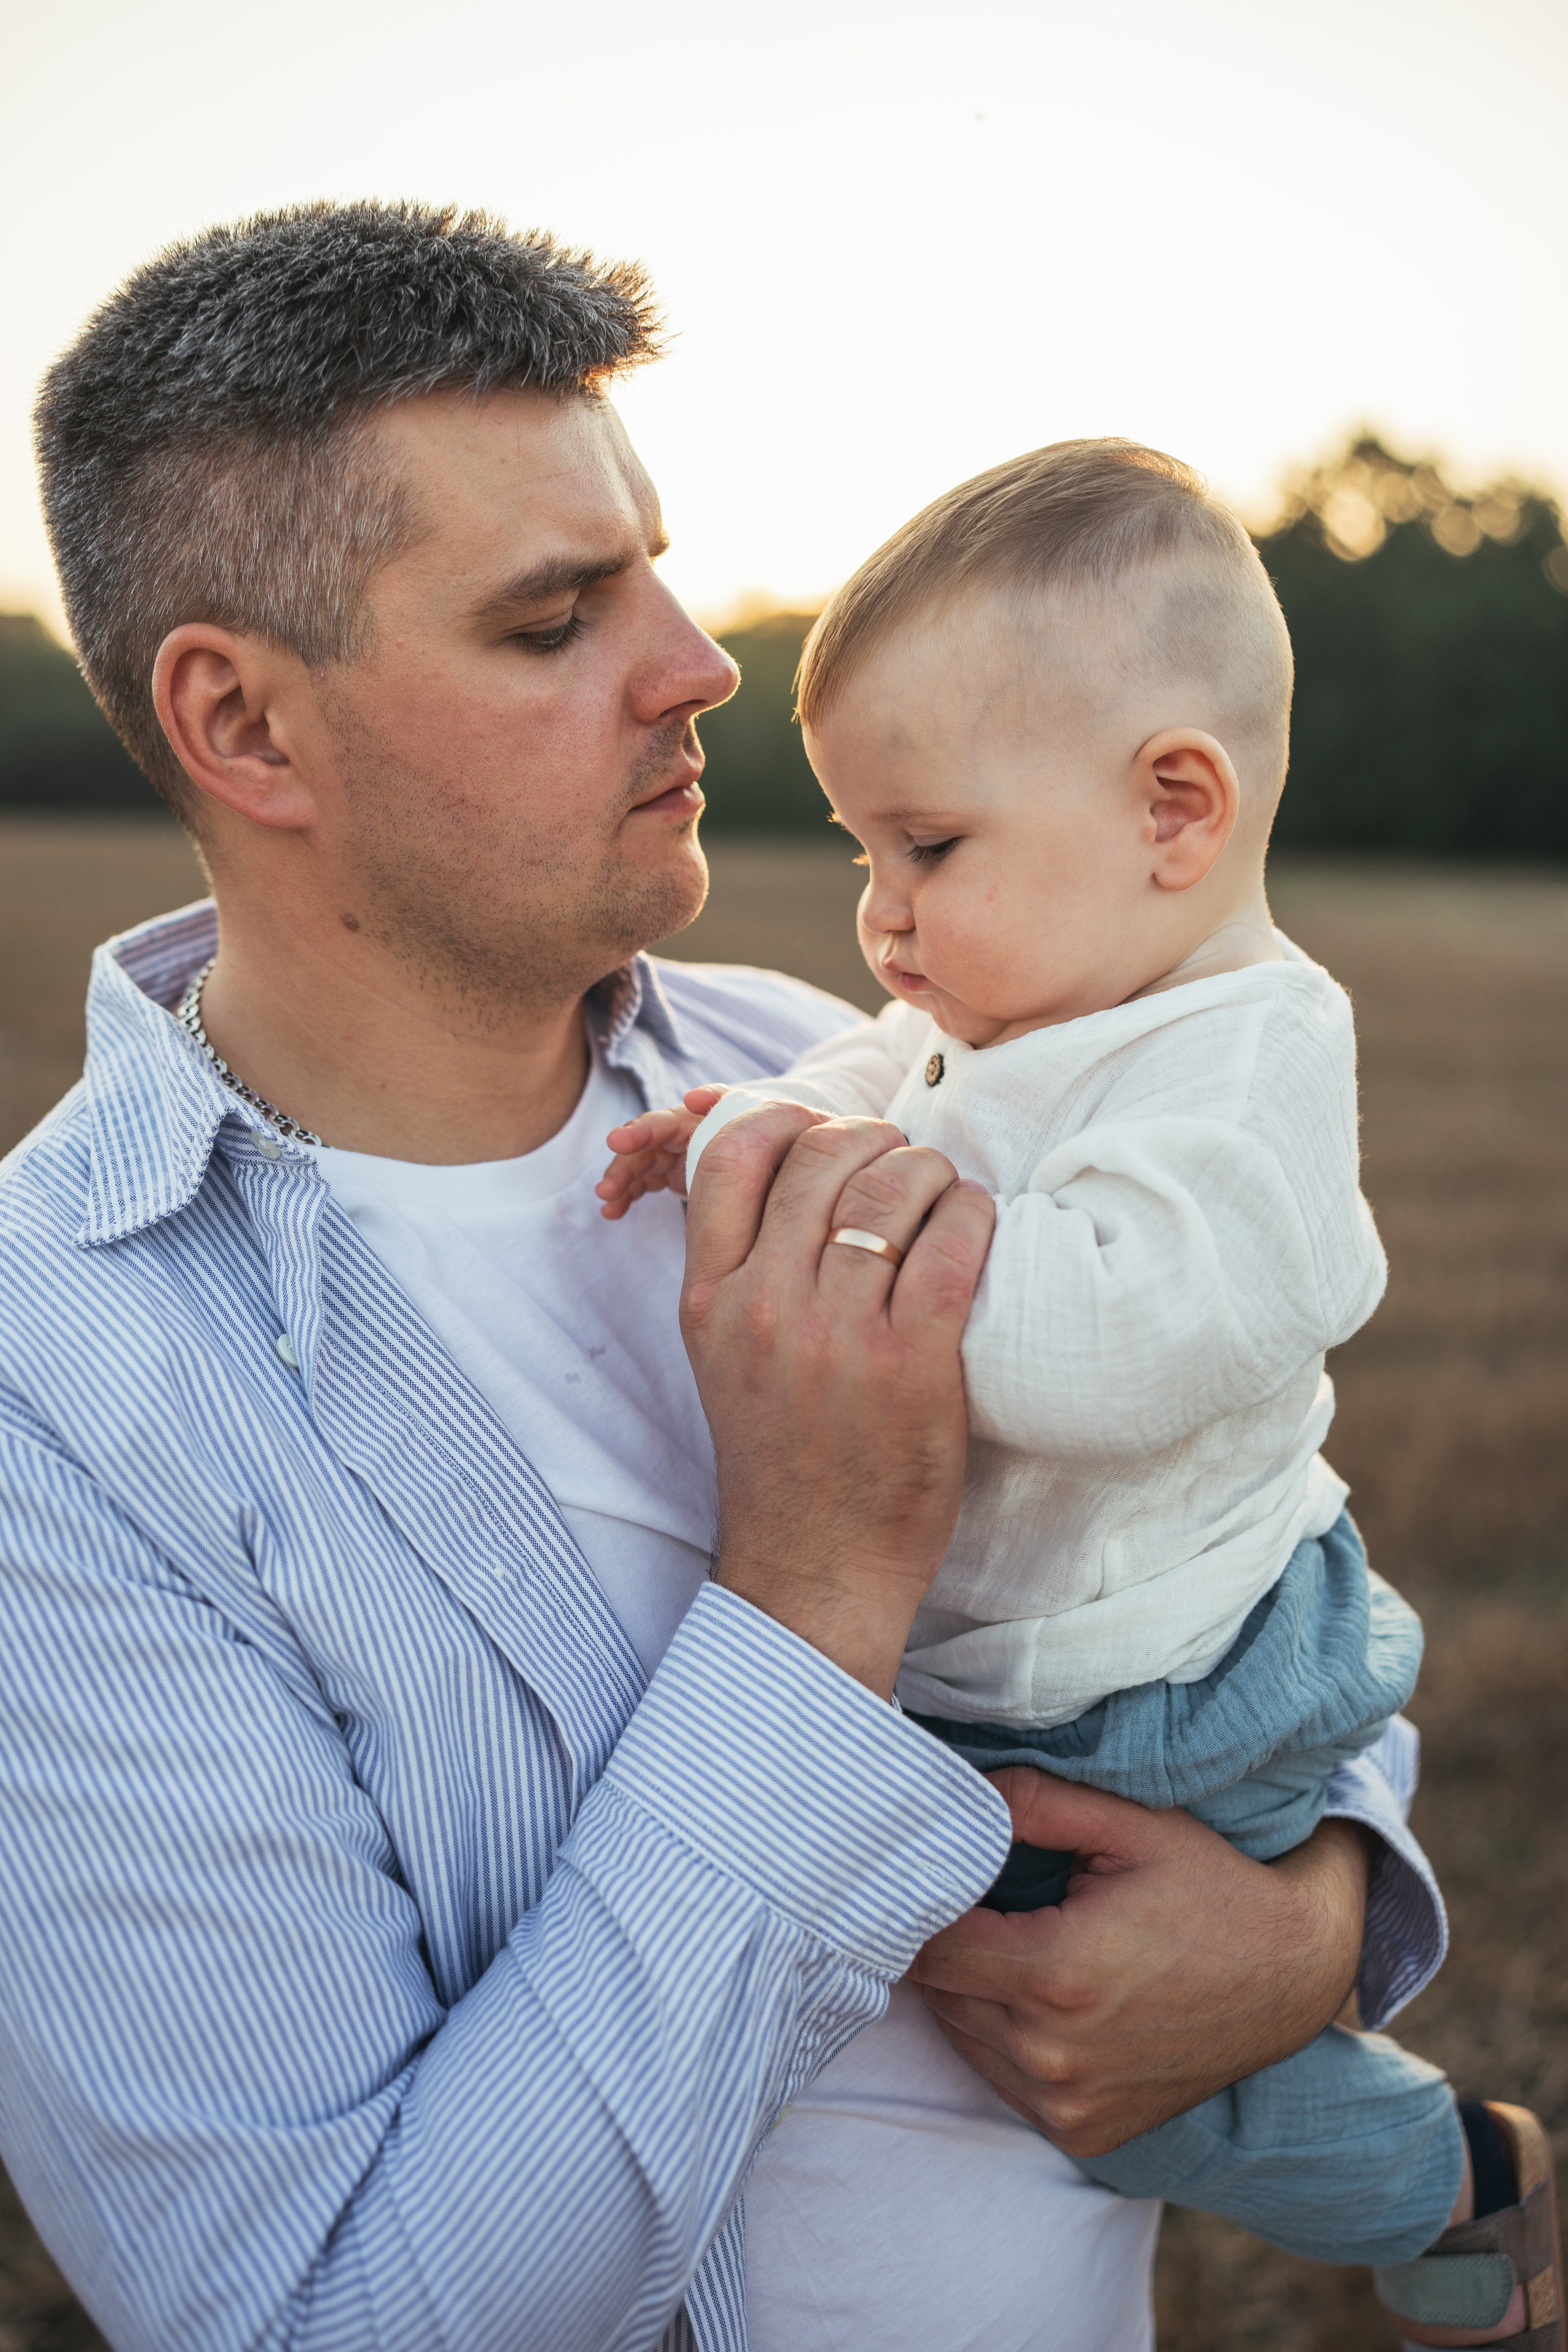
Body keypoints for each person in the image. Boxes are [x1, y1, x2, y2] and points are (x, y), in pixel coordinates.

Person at [0, 199, 1441, 2352]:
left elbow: (1234, 1528)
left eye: (656, 565)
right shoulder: (65, 1381)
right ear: (249, 729)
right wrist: (811, 1604)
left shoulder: (826, 1063)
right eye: (556, 615)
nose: (696, 662)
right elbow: (324, 2318)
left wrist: (1317, 1914)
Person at [599, 440, 1564, 2349]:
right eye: (867, 857)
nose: (880, 920)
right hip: (1062, 1677)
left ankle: (1464, 2184)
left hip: (1188, 1686)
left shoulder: (1248, 1069)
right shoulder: (1001, 1014)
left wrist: (796, 1208)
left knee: (1121, 2080)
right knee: (1001, 2010)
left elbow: (1093, 1344)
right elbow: (870, 1091)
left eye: (928, 849)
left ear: (1175, 809)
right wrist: (767, 1128)